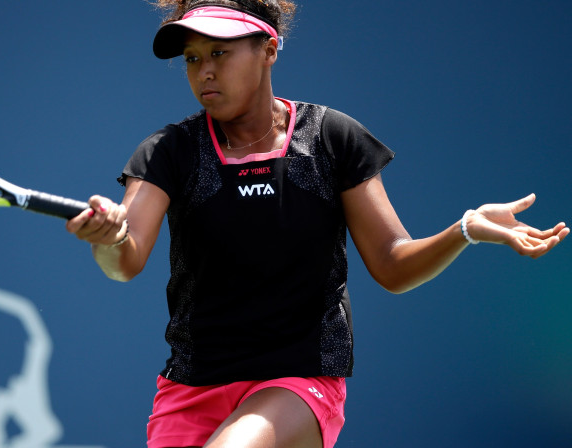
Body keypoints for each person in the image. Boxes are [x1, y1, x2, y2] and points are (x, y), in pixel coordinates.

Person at [66, 1, 569, 447]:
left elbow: (393, 265)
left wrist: (464, 229)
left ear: (269, 49)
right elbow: (124, 261)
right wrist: (108, 239)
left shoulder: (331, 138)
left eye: (220, 53)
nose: (204, 73)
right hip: (192, 386)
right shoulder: (169, 151)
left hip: (300, 380)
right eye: (193, 59)